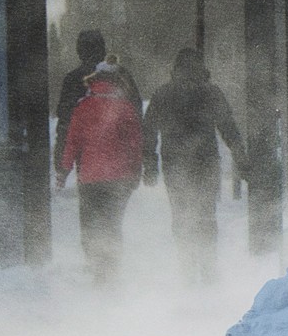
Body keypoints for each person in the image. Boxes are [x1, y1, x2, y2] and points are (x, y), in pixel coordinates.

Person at [143, 47, 247, 283]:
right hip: (206, 164)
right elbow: (228, 128)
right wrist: (241, 159)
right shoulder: (210, 92)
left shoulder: (164, 93)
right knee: (206, 217)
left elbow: (148, 131)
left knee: (181, 217)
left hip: (175, 166)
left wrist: (150, 163)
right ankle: (208, 269)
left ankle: (187, 269)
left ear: (175, 69)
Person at [56, 60, 144, 285]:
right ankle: (111, 268)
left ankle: (97, 267)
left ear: (94, 80)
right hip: (119, 178)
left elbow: (72, 142)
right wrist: (136, 171)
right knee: (112, 223)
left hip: (90, 178)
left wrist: (64, 171)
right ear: (117, 82)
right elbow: (134, 144)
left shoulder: (83, 106)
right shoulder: (125, 107)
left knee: (90, 223)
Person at [54, 32, 141, 172]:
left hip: (87, 161)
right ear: (103, 50)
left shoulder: (72, 79)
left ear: (79, 51)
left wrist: (61, 161)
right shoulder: (122, 75)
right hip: (120, 157)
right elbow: (136, 112)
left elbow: (65, 123)